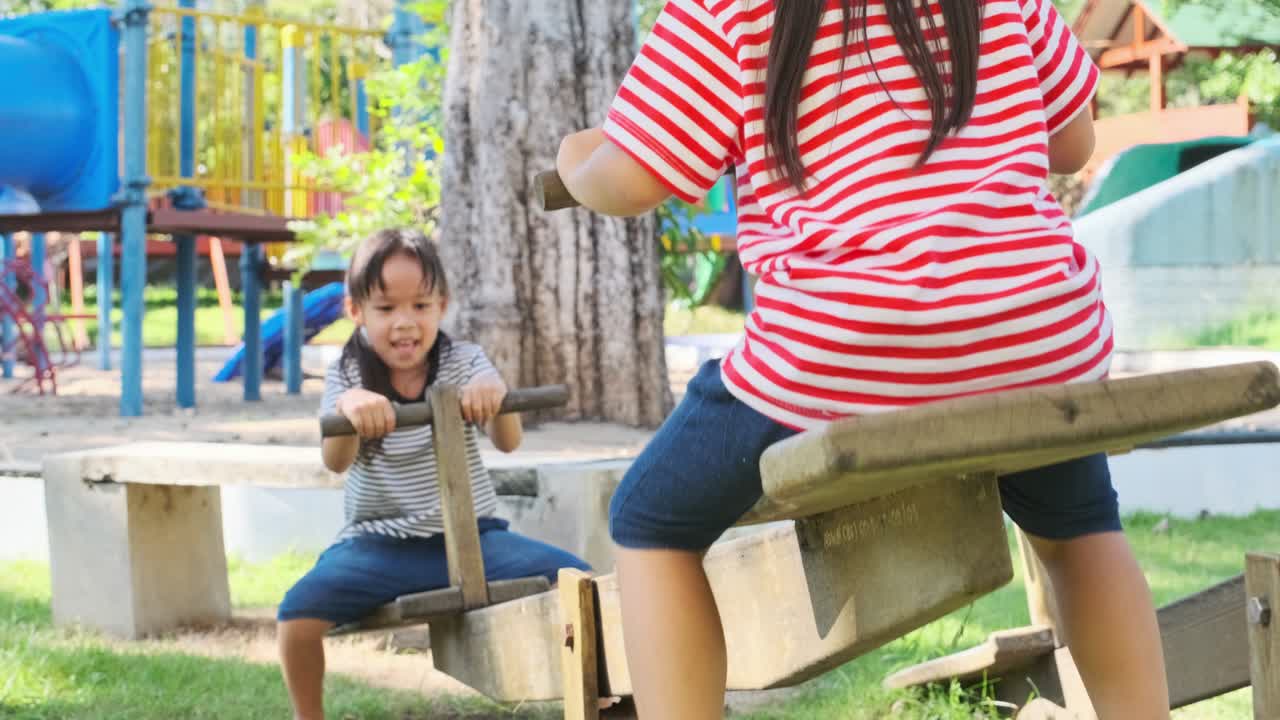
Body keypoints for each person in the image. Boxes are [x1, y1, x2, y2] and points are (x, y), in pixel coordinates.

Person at [554, 1, 1169, 718]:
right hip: (1030, 329)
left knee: (650, 520)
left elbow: (629, 180)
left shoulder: (730, 10)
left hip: (845, 342)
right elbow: (1072, 142)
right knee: (1079, 527)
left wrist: (576, 160)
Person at [276, 228, 591, 720]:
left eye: (420, 306)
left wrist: (494, 394)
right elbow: (335, 461)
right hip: (378, 545)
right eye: (386, 309)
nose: (405, 323)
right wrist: (349, 406)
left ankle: (600, 699)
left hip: (472, 539)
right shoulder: (348, 373)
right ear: (355, 311)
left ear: (442, 305)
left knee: (578, 582)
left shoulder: (463, 362)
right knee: (296, 614)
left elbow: (507, 441)